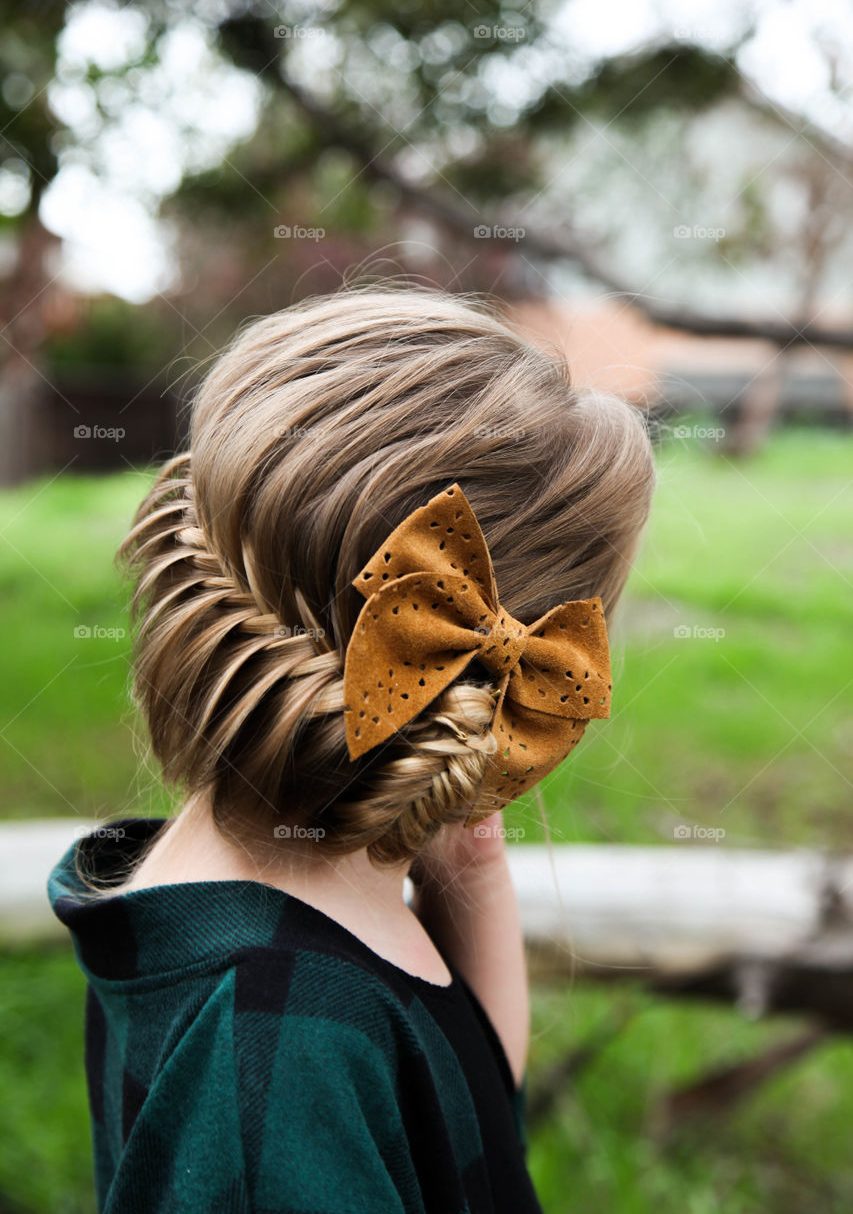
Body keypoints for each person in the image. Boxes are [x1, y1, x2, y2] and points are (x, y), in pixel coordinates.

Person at [47, 284, 656, 1213]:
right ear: (530, 705)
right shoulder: (281, 1048)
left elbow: (467, 1118)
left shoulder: (202, 916)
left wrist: (475, 876)